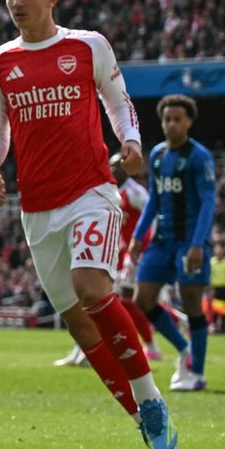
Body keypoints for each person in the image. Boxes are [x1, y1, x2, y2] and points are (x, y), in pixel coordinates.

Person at [0, 0, 178, 449]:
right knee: (78, 321)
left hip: (91, 191)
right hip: (36, 207)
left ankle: (151, 399)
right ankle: (142, 418)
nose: (16, 3)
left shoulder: (88, 46)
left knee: (92, 288)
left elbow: (119, 102)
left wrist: (130, 141)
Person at [128, 94, 215, 392]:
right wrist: (138, 236)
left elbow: (208, 202)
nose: (171, 124)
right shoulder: (157, 155)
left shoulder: (199, 157)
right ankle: (184, 348)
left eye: (177, 119)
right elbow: (154, 200)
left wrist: (198, 244)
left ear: (189, 122)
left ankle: (197, 373)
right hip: (162, 240)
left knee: (191, 302)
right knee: (142, 299)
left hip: (189, 241)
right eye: (167, 119)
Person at [54, 153, 157, 367]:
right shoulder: (105, 190)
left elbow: (152, 216)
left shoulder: (135, 192)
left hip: (128, 255)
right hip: (108, 252)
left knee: (109, 300)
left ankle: (123, 348)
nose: (113, 169)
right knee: (90, 299)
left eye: (117, 165)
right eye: (111, 165)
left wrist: (147, 246)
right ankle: (82, 349)